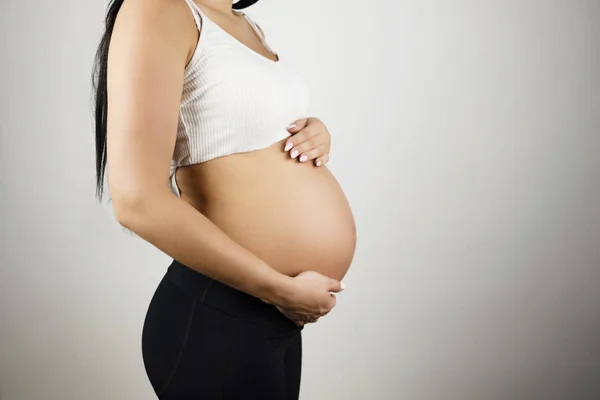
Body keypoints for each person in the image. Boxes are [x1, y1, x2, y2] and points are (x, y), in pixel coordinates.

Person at [92, 0, 357, 398]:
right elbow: (137, 201)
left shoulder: (242, 22)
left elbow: (235, 127)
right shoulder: (158, 7)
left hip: (273, 318)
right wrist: (279, 289)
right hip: (221, 316)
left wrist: (312, 132)